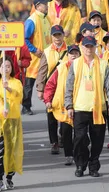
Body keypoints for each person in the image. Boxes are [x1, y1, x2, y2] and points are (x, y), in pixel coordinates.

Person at [65, 36, 109, 178]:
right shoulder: (75, 64)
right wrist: (69, 105)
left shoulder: (103, 64)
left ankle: (94, 165)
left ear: (95, 47)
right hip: (80, 107)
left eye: (91, 46)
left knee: (97, 139)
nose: (89, 49)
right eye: (86, 46)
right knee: (79, 138)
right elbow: (69, 86)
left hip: (98, 108)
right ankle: (80, 164)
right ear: (82, 48)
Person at [0, 58, 24, 192]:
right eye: (3, 66)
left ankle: (9, 177)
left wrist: (8, 88)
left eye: (8, 66)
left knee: (12, 149)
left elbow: (18, 95)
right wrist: (1, 109)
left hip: (13, 119)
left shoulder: (16, 82)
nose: (6, 69)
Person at [44, 45, 80, 166]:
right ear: (68, 55)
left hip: (80, 104)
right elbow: (50, 85)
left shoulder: (84, 68)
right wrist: (48, 100)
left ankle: (79, 153)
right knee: (66, 130)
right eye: (71, 53)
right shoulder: (61, 68)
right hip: (64, 105)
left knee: (80, 132)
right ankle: (69, 154)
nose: (74, 55)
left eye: (76, 53)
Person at [35, 25, 68, 155]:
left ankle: (65, 138)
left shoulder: (70, 50)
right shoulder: (47, 51)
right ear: (51, 37)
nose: (57, 38)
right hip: (51, 88)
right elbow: (42, 71)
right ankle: (54, 142)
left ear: (63, 36)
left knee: (66, 115)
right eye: (55, 35)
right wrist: (40, 89)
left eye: (59, 35)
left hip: (66, 87)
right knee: (51, 116)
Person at [23, 0, 51, 115]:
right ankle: (26, 106)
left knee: (48, 81)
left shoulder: (47, 18)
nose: (47, 6)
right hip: (34, 58)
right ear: (38, 6)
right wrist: (34, 50)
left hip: (46, 56)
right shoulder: (32, 20)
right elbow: (25, 39)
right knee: (29, 83)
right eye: (45, 4)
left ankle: (48, 104)